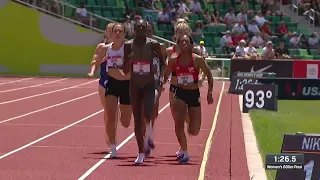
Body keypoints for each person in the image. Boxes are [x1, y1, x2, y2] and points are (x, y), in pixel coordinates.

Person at [163, 35, 214, 164]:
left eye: (187, 41)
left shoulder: (197, 59)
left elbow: (209, 74)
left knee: (195, 130)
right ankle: (185, 152)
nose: (184, 43)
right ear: (178, 45)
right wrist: (160, 84)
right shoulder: (174, 59)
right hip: (179, 93)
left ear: (191, 45)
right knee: (178, 122)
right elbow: (166, 74)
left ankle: (188, 120)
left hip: (193, 93)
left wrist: (210, 92)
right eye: (181, 42)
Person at [123, 19, 164, 164]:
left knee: (148, 112)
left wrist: (161, 77)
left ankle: (148, 133)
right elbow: (124, 69)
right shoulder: (128, 45)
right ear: (133, 29)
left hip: (148, 83)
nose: (141, 28)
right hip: (134, 84)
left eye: (143, 27)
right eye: (138, 27)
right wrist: (129, 61)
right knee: (137, 118)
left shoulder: (153, 44)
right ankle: (140, 152)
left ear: (147, 29)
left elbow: (161, 60)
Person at [89, 23, 132, 158]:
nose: (118, 34)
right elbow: (95, 60)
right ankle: (113, 147)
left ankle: (122, 113)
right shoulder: (105, 49)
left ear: (124, 34)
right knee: (110, 115)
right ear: (111, 34)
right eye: (115, 31)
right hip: (111, 84)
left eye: (120, 31)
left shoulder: (129, 49)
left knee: (125, 122)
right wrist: (92, 71)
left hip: (126, 85)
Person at [87, 22, 114, 146]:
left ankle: (112, 133)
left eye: (113, 30)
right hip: (104, 82)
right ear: (106, 32)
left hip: (117, 82)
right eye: (109, 30)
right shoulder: (101, 46)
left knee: (115, 112)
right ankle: (110, 135)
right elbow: (95, 60)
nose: (111, 32)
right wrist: (92, 71)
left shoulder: (122, 46)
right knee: (108, 110)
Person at [145, 22, 167, 150]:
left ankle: (150, 134)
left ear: (153, 31)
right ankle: (145, 138)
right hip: (140, 81)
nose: (146, 32)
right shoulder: (135, 46)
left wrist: (162, 77)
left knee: (153, 108)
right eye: (144, 30)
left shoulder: (160, 46)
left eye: (149, 30)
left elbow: (164, 63)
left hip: (155, 81)